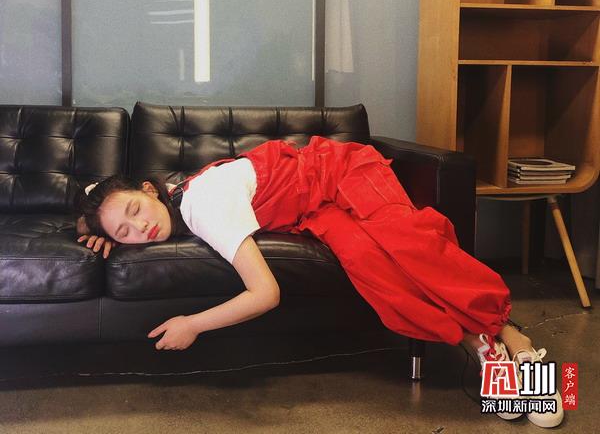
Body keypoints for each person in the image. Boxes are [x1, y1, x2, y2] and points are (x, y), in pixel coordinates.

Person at [75, 135, 563, 428]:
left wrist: (193, 324)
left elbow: (265, 293)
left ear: (149, 189)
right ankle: (483, 346)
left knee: (409, 244)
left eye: (135, 211)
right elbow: (100, 212)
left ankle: (517, 341)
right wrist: (95, 229)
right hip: (314, 211)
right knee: (377, 275)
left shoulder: (204, 205)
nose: (139, 228)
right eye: (124, 233)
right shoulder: (175, 199)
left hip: (342, 171)